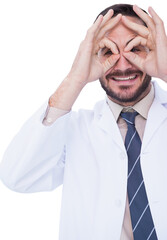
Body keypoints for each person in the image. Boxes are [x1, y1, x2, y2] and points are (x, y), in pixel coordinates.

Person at [0, 3, 167, 240]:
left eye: (136, 48)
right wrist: (75, 79)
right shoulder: (75, 130)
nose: (122, 65)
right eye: (108, 51)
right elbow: (16, 176)